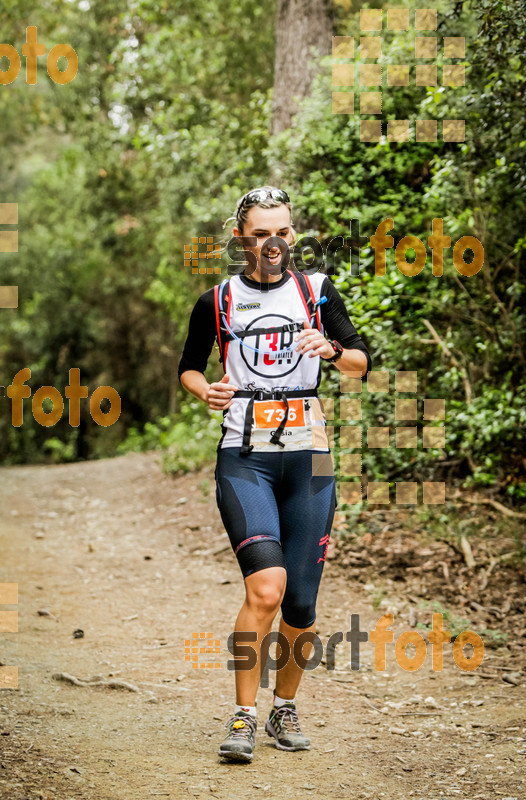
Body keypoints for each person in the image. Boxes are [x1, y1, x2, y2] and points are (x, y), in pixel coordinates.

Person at [178, 186, 371, 762]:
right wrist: (204, 389)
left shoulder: (317, 292)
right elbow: (188, 367)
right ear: (240, 237)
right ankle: (242, 717)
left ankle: (284, 707)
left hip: (310, 458)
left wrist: (333, 351)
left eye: (282, 232)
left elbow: (362, 363)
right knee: (266, 588)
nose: (273, 243)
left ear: (294, 233)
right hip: (245, 456)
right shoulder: (217, 301)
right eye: (260, 233)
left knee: (301, 607)